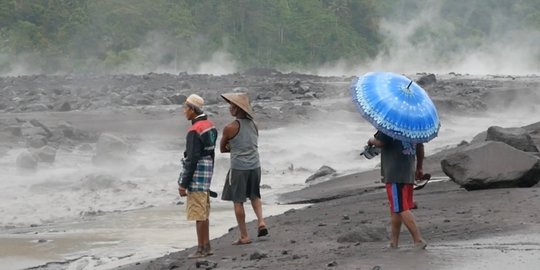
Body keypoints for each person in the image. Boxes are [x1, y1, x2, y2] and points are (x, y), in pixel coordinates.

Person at [220, 92, 268, 245]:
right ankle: (261, 222)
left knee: (238, 200)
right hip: (255, 165)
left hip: (239, 168)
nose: (230, 108)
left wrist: (232, 147)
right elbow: (252, 144)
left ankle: (244, 236)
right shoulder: (255, 125)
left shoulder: (230, 127)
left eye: (232, 106)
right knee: (255, 195)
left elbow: (222, 149)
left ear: (238, 109)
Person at [367, 130, 427, 250]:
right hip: (408, 171)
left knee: (401, 207)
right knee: (396, 207)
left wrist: (370, 141)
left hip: (395, 173)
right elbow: (420, 146)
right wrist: (419, 167)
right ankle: (394, 242)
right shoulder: (414, 126)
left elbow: (381, 142)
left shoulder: (389, 126)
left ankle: (418, 240)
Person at [177, 94, 218, 258]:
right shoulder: (210, 125)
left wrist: (183, 184)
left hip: (197, 174)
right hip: (207, 171)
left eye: (185, 108)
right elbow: (211, 152)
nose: (184, 111)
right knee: (204, 212)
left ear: (193, 110)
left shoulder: (194, 130)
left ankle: (201, 248)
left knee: (198, 213)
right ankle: (206, 246)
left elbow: (192, 159)